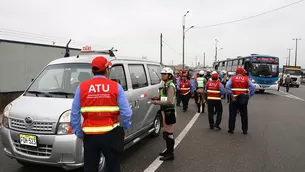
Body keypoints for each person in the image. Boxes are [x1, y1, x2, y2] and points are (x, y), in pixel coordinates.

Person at [70, 56, 132, 172]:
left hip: (90, 136)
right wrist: (124, 127)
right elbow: (126, 112)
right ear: (107, 70)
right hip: (111, 134)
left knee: (90, 168)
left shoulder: (82, 87)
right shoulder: (116, 86)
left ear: (93, 71)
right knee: (113, 167)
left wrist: (78, 132)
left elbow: (74, 112)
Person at [151, 67, 176, 161]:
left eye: (164, 74)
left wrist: (157, 102)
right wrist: (158, 98)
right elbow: (165, 98)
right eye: (162, 74)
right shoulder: (166, 84)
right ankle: (168, 151)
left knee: (168, 133)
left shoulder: (170, 85)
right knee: (166, 132)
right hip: (165, 110)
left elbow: (169, 101)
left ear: (169, 75)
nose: (162, 75)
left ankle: (170, 154)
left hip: (168, 111)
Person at [226, 67, 255, 135]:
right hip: (243, 98)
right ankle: (244, 130)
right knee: (244, 115)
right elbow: (253, 87)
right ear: (242, 72)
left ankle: (231, 129)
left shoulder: (232, 78)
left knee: (232, 114)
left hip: (234, 98)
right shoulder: (246, 79)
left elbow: (227, 86)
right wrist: (249, 96)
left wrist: (231, 94)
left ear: (236, 72)